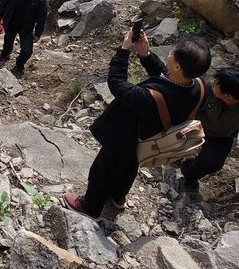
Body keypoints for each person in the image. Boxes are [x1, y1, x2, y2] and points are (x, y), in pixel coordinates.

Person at [64, 27, 211, 220]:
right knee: (129, 167)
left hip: (124, 136)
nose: (170, 52)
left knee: (103, 170)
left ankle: (90, 206)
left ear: (177, 67)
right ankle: (117, 198)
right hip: (147, 138)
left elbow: (117, 83)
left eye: (173, 52)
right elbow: (166, 78)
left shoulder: (149, 98)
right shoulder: (197, 85)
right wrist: (145, 55)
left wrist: (124, 50)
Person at [180, 67, 239, 190]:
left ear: (228, 96)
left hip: (221, 136)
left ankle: (188, 174)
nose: (214, 82)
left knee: (213, 163)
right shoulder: (205, 87)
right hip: (193, 125)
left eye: (217, 83)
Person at [0, 0, 48, 76]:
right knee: (8, 41)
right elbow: (3, 4)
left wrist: (38, 33)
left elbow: (42, 18)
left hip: (27, 28)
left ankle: (20, 63)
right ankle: (5, 54)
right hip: (11, 22)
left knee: (27, 51)